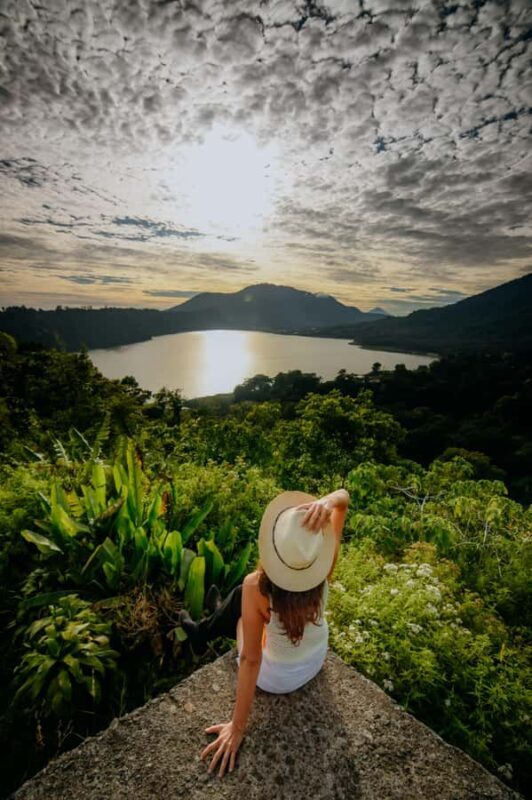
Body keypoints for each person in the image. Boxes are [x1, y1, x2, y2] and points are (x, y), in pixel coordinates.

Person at [178, 487, 350, 779]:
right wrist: (329, 501)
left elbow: (250, 660)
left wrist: (237, 728)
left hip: (276, 679)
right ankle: (217, 613)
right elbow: (343, 501)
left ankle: (203, 631)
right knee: (240, 598)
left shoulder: (256, 586)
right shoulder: (322, 567)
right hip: (314, 660)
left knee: (242, 609)